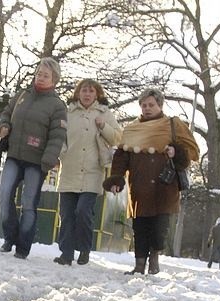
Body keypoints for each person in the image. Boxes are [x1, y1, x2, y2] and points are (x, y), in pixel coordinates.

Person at [103, 87, 199, 275]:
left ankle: (154, 260)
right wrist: (116, 179)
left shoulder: (173, 125)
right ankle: (139, 265)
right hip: (139, 186)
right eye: (144, 105)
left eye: (151, 105)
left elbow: (190, 154)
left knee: (158, 230)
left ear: (160, 105)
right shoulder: (131, 129)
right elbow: (121, 157)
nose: (147, 108)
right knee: (140, 228)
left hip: (165, 187)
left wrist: (175, 152)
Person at [0, 58, 67, 260]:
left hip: (37, 162)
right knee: (4, 194)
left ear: (54, 79)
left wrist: (49, 159)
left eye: (46, 75)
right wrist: (3, 126)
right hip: (14, 155)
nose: (41, 77)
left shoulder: (57, 105)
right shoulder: (22, 96)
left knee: (28, 204)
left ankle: (23, 246)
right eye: (38, 73)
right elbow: (6, 114)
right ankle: (10, 237)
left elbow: (57, 136)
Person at [54, 79, 122, 267]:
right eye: (84, 90)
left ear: (97, 94)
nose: (87, 94)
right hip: (69, 169)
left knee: (83, 211)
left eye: (91, 91)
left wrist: (103, 126)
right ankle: (66, 254)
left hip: (92, 172)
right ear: (78, 93)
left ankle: (84, 249)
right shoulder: (67, 112)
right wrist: (61, 152)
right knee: (67, 214)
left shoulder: (104, 113)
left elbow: (118, 137)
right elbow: (58, 135)